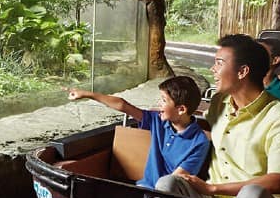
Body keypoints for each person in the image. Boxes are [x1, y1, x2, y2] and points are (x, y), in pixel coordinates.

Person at [155, 34, 280, 198]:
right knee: (168, 183)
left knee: (251, 194)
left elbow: (279, 181)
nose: (212, 69)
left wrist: (212, 188)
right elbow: (194, 122)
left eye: (219, 63)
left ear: (242, 72)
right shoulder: (220, 102)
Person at [67, 76, 210, 190]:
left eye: (164, 100)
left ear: (181, 109)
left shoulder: (199, 142)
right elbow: (123, 105)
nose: (159, 103)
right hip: (144, 187)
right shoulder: (158, 121)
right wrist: (87, 94)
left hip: (169, 197)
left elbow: (175, 180)